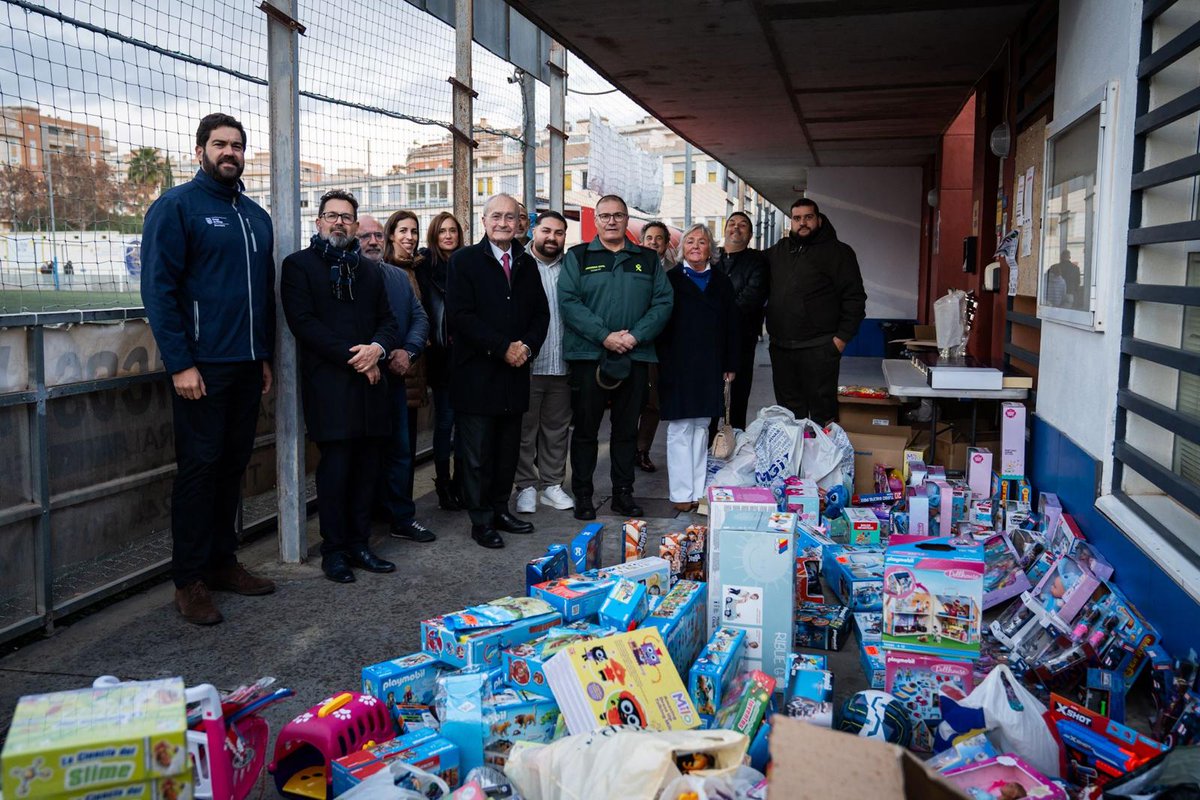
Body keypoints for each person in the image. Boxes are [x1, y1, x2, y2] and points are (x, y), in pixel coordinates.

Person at [141, 112, 276, 626]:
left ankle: (223, 562)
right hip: (201, 369)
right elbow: (159, 290)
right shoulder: (177, 207)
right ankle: (189, 580)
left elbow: (259, 296)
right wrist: (181, 364)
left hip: (244, 366)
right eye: (220, 144)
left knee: (231, 467)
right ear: (200, 149)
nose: (229, 153)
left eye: (237, 145)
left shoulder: (255, 215)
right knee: (198, 472)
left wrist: (261, 355)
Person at [280, 190, 401, 583]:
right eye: (332, 216)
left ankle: (359, 544)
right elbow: (305, 324)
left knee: (368, 468)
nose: (339, 223)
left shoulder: (368, 270)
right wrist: (359, 358)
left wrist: (379, 349)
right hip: (331, 386)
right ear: (318, 223)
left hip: (372, 385)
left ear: (355, 223)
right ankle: (333, 551)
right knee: (335, 471)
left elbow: (388, 320)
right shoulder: (298, 266)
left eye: (347, 217)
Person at [559, 195, 673, 520]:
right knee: (585, 431)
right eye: (605, 216)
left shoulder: (648, 260)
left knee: (626, 431)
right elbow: (569, 301)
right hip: (588, 357)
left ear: (627, 220)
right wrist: (605, 336)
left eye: (618, 216)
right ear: (596, 221)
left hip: (635, 358)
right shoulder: (577, 257)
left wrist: (635, 336)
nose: (611, 221)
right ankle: (583, 496)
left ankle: (623, 494)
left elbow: (663, 303)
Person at [447, 194, 550, 548]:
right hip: (477, 374)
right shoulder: (464, 261)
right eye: (497, 216)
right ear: (484, 220)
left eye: (511, 217)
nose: (504, 223)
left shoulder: (526, 262)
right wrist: (502, 346)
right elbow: (460, 316)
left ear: (521, 223)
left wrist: (527, 347)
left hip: (515, 373)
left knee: (508, 450)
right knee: (477, 454)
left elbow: (541, 315)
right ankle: (481, 520)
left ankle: (500, 509)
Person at [359, 214, 434, 544]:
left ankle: (402, 518)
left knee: (401, 452)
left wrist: (410, 351)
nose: (373, 241)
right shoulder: (343, 276)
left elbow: (420, 318)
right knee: (363, 456)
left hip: (395, 379)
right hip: (357, 382)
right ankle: (360, 526)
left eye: (377, 235)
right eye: (365, 236)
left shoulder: (396, 278)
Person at [658, 224, 738, 512]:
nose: (695, 246)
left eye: (701, 242)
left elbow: (732, 325)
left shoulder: (721, 281)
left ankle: (697, 490)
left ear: (710, 249)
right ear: (682, 249)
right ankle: (680, 494)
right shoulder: (670, 279)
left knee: (702, 427)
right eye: (689, 241)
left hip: (711, 363)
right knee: (680, 427)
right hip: (678, 363)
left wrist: (730, 363)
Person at [765, 198, 866, 425]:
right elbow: (751, 266)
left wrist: (840, 340)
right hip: (782, 348)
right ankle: (796, 460)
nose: (803, 223)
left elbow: (855, 299)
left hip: (820, 348)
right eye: (797, 218)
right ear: (791, 221)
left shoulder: (839, 252)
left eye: (808, 217)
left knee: (823, 415)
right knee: (788, 417)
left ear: (818, 220)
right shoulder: (779, 251)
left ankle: (824, 460)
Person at [514, 211, 575, 514]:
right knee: (525, 429)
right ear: (534, 232)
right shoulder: (519, 264)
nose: (552, 238)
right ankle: (525, 485)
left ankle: (552, 485)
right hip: (527, 364)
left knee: (556, 429)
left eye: (559, 232)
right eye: (547, 231)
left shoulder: (571, 267)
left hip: (562, 363)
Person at [417, 211, 465, 511]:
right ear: (434, 235)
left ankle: (462, 482)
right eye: (442, 231)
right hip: (440, 357)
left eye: (453, 230)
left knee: (465, 424)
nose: (448, 235)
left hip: (468, 357)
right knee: (445, 422)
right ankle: (443, 484)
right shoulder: (425, 269)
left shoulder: (467, 264)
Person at [713, 212, 768, 430]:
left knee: (736, 398)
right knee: (708, 397)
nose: (736, 228)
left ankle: (733, 444)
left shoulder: (757, 261)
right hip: (710, 340)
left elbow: (753, 296)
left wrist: (716, 314)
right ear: (725, 229)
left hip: (741, 339)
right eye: (732, 224)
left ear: (750, 234)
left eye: (743, 225)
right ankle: (706, 451)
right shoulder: (711, 257)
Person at [634, 220, 673, 473]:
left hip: (662, 348)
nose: (654, 242)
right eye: (649, 238)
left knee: (653, 403)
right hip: (633, 343)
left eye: (659, 238)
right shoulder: (633, 266)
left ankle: (642, 450)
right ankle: (625, 449)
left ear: (666, 243)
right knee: (629, 401)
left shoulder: (676, 271)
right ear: (642, 241)